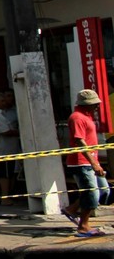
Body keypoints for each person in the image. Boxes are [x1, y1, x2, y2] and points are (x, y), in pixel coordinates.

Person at [63, 89, 109, 237]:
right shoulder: (77, 118)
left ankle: (71, 209)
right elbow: (79, 140)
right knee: (91, 193)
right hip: (81, 162)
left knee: (103, 190)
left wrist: (96, 162)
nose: (96, 107)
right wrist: (93, 163)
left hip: (91, 160)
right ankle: (83, 226)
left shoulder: (86, 116)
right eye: (93, 104)